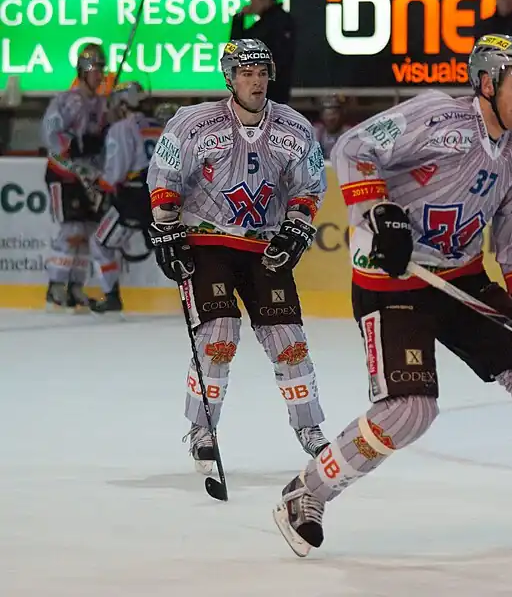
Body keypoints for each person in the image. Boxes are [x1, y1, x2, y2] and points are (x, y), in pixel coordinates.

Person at [272, 33, 512, 557]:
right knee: (410, 411)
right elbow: (353, 148)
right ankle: (305, 494)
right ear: (486, 82)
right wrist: (378, 213)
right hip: (392, 284)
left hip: (459, 280)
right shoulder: (436, 116)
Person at [145, 38, 329, 474]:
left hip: (261, 244)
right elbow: (165, 174)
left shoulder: (295, 128)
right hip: (207, 239)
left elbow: (310, 186)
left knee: (289, 341)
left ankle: (309, 427)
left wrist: (298, 226)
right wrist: (167, 230)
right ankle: (202, 429)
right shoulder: (193, 122)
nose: (256, 81)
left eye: (262, 73)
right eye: (246, 73)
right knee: (220, 333)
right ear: (228, 77)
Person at [87, 82, 167, 314]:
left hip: (133, 197)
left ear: (123, 103)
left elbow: (115, 173)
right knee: (171, 248)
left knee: (100, 243)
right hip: (161, 196)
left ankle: (111, 297)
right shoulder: (160, 125)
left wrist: (101, 183)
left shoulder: (122, 128)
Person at [40, 46, 110, 311]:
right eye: (96, 69)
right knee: (71, 231)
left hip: (87, 178)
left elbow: (105, 141)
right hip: (63, 174)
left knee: (87, 232)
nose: (100, 75)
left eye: (102, 69)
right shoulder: (65, 101)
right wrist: (76, 146)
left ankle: (76, 287)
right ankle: (56, 288)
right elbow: (51, 135)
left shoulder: (102, 104)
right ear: (83, 70)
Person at [230, 0, 295, 104]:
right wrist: (239, 18)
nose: (251, 4)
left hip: (273, 89)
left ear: (266, 0)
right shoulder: (265, 23)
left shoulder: (278, 22)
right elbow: (237, 45)